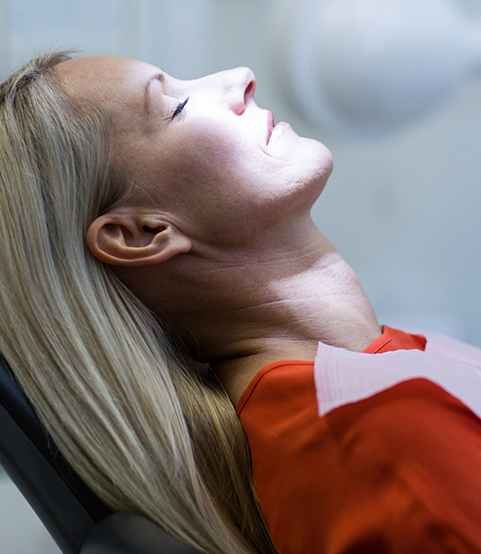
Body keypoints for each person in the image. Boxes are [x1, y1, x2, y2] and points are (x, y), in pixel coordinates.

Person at [0, 52, 481, 554]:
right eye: (177, 106)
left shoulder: (363, 392)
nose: (241, 78)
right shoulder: (377, 437)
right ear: (142, 233)